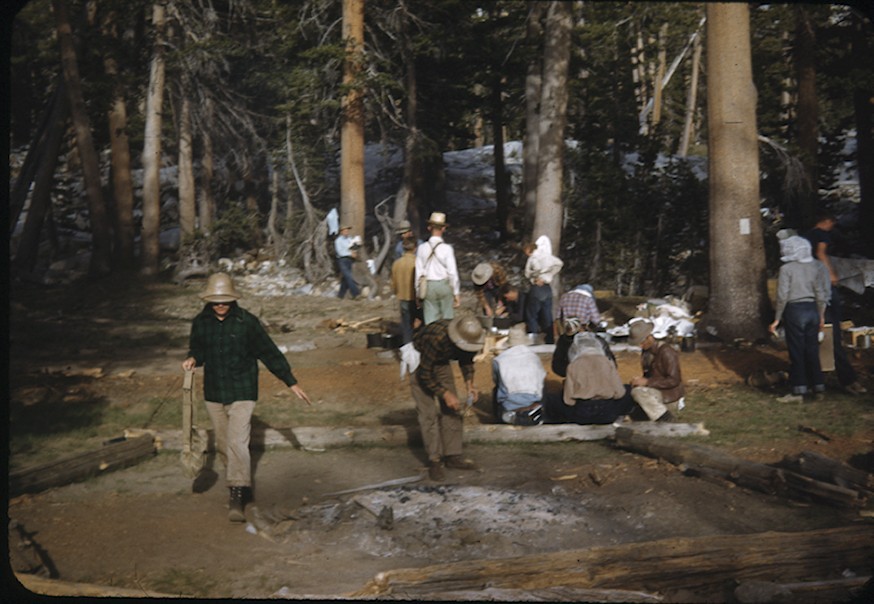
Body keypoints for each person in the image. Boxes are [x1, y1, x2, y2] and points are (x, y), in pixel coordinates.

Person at [182, 273, 312, 522]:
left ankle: (237, 495)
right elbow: (197, 348)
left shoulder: (247, 322)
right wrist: (192, 359)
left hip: (243, 390)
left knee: (237, 442)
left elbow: (268, 352)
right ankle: (239, 484)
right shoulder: (201, 322)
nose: (221, 305)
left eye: (225, 301)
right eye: (216, 301)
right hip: (214, 392)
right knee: (222, 444)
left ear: (233, 299)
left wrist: (291, 382)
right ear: (209, 300)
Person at [411, 315, 485, 481]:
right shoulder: (436, 338)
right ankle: (434, 460)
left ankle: (453, 455)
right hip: (420, 362)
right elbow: (425, 373)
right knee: (427, 413)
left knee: (453, 408)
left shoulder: (467, 333)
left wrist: (469, 384)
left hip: (441, 362)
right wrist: (444, 393)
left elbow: (466, 360)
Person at [804, 210, 867, 396]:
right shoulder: (822, 235)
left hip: (808, 288)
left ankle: (811, 378)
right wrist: (831, 274)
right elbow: (821, 254)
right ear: (826, 221)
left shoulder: (805, 235)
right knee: (834, 333)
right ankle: (847, 379)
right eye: (832, 223)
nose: (832, 227)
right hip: (824, 288)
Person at [768, 235, 831, 402]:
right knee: (812, 350)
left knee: (796, 351)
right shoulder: (816, 266)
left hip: (795, 310)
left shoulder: (787, 269)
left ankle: (799, 390)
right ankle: (818, 388)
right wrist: (821, 315)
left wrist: (776, 319)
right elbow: (821, 293)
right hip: (813, 310)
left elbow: (782, 296)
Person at [545, 327, 635, 425]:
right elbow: (620, 393)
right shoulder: (608, 362)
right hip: (607, 414)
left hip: (582, 414)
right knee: (629, 390)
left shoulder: (572, 366)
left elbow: (569, 400)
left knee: (550, 399)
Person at [628, 319, 684, 422]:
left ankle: (665, 418)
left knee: (638, 392)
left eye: (641, 342)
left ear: (649, 337)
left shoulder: (667, 352)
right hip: (655, 390)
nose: (640, 346)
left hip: (668, 395)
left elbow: (674, 380)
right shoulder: (646, 352)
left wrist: (647, 382)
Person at [492, 324, 546, 425]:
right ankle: (533, 412)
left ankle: (503, 417)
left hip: (509, 402)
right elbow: (541, 377)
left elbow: (496, 380)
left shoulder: (499, 360)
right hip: (533, 399)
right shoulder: (534, 357)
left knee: (497, 389)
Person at [416, 212, 460, 324]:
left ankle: (432, 339)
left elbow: (418, 273)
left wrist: (417, 293)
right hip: (444, 285)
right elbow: (452, 273)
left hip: (429, 285)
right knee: (447, 320)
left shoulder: (421, 248)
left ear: (429, 228)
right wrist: (456, 292)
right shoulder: (447, 249)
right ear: (443, 228)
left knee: (430, 321)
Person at [523, 235, 563, 344]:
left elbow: (528, 273)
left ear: (528, 250)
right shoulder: (548, 256)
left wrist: (537, 275)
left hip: (537, 287)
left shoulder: (532, 258)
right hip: (547, 288)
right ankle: (550, 339)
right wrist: (549, 273)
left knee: (532, 314)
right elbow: (559, 263)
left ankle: (533, 339)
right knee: (547, 314)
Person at [391, 238, 420, 344]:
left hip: (403, 297)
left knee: (406, 326)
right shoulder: (417, 262)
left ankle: (407, 349)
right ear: (415, 248)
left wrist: (396, 292)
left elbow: (394, 283)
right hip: (416, 299)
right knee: (421, 324)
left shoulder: (397, 263)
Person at [334, 225, 361, 299]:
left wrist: (355, 250)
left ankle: (340, 295)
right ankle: (356, 293)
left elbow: (351, 247)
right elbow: (340, 252)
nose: (347, 232)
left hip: (349, 260)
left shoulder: (349, 239)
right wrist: (350, 254)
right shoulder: (338, 241)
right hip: (342, 260)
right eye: (345, 231)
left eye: (347, 231)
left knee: (346, 278)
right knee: (349, 276)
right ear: (341, 232)